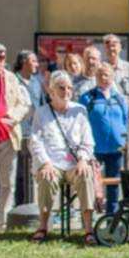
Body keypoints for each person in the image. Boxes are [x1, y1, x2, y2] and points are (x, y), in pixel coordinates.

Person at [29, 71, 96, 244]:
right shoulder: (41, 112)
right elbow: (36, 142)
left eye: (69, 88)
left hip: (74, 164)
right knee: (46, 176)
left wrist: (82, 159)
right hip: (52, 163)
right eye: (61, 88)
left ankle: (89, 229)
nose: (66, 91)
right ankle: (43, 226)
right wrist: (45, 163)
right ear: (51, 91)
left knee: (86, 174)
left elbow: (88, 140)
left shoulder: (79, 111)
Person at [0, 43, 30, 229]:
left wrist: (12, 118)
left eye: (1, 57)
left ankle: (4, 221)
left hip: (8, 135)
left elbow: (24, 104)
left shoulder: (12, 78)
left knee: (7, 182)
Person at [79, 63, 128, 215]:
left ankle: (111, 217)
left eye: (107, 74)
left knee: (113, 184)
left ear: (113, 77)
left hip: (116, 148)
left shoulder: (119, 98)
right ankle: (90, 217)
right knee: (92, 184)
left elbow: (125, 120)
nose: (104, 78)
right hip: (95, 149)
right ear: (95, 77)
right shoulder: (87, 98)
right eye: (100, 74)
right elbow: (80, 122)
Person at [13, 50, 46, 205]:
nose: (37, 64)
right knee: (18, 171)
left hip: (34, 132)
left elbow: (42, 106)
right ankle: (19, 205)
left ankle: (31, 204)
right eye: (34, 61)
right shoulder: (14, 80)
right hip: (18, 132)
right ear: (24, 62)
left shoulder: (36, 82)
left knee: (32, 170)